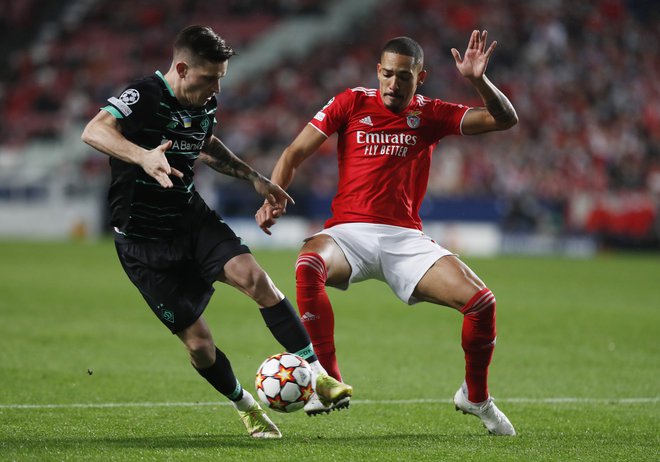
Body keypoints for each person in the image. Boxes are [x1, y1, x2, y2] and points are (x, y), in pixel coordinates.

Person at [81, 25, 352, 439]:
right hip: (143, 243)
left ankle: (318, 375)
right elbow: (94, 129)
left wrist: (255, 178)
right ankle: (246, 405)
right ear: (183, 68)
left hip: (190, 220)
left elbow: (205, 144)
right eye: (209, 79)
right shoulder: (145, 95)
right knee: (200, 345)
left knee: (256, 279)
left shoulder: (204, 100)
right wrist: (142, 158)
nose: (215, 89)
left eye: (221, 79)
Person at [255, 31, 518, 435]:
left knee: (481, 303)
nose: (395, 84)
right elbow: (294, 152)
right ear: (378, 72)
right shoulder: (351, 102)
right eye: (389, 74)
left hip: (404, 239)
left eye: (405, 77)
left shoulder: (431, 113)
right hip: (349, 233)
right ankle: (325, 376)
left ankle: (476, 397)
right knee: (308, 262)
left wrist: (478, 81)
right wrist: (274, 195)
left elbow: (505, 119)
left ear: (420, 78)